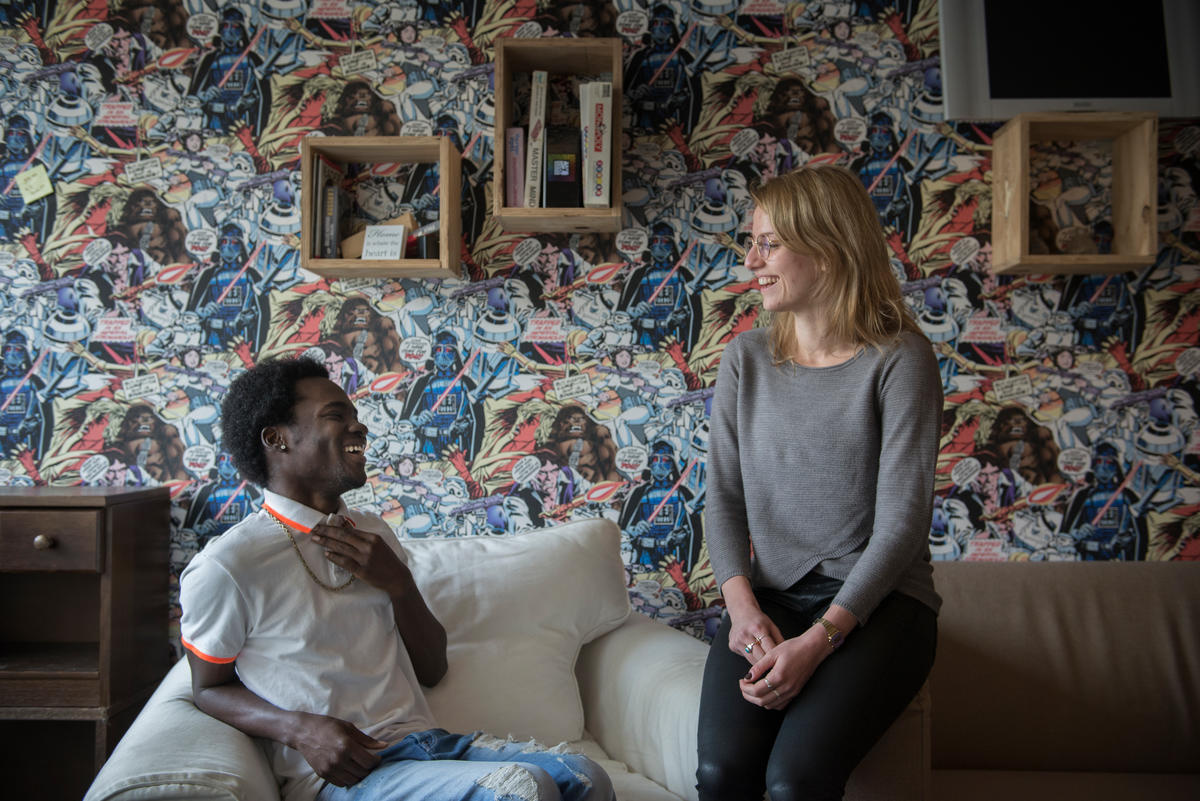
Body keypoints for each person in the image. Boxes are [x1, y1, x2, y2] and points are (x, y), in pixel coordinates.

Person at [179, 357, 613, 801]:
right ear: (277, 438)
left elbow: (433, 669)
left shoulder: (374, 532)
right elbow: (208, 689)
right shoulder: (230, 564)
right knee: (523, 789)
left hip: (429, 745)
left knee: (584, 777)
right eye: (335, 416)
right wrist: (300, 729)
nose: (359, 428)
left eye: (356, 416)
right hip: (347, 775)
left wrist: (399, 583)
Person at [697, 164, 943, 801]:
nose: (753, 260)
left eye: (769, 243)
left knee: (794, 782)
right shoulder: (745, 358)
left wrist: (821, 639)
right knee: (721, 775)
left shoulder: (900, 359)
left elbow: (903, 521)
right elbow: (722, 495)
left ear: (829, 249)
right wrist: (741, 608)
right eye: (751, 243)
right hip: (770, 602)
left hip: (880, 607)